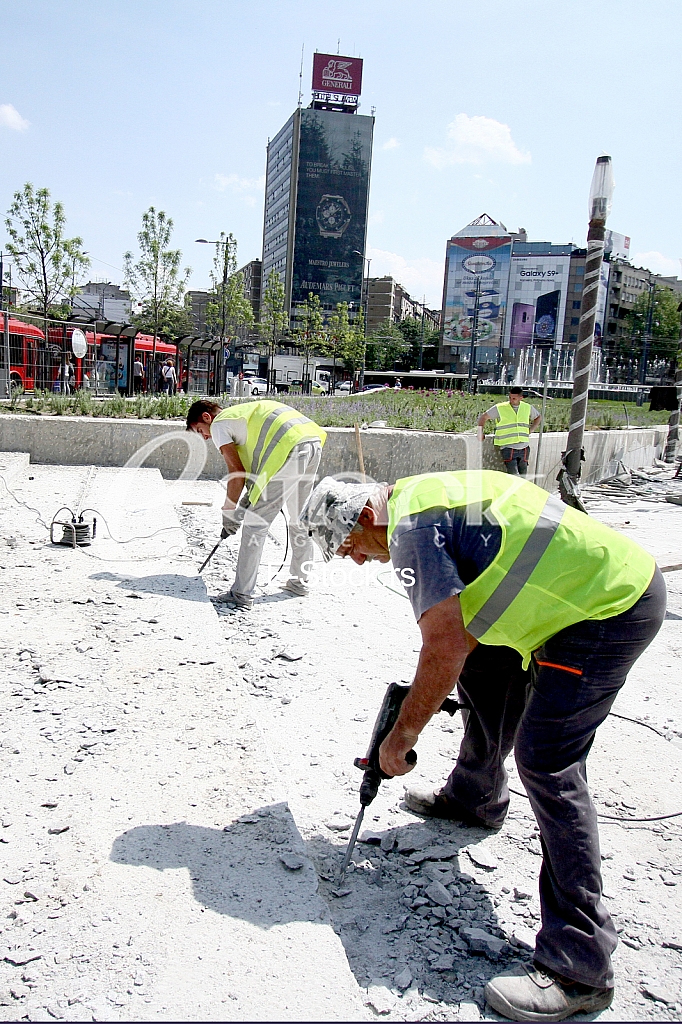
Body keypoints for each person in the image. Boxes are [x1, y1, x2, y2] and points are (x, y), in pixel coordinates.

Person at [301, 470, 665, 1022]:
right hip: (582, 591)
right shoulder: (420, 497)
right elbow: (465, 623)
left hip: (607, 609)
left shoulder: (411, 531)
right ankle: (475, 797)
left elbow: (443, 646)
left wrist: (402, 735)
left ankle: (580, 965)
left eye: (350, 546)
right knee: (486, 665)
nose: (354, 560)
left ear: (368, 517)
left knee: (547, 761)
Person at [186, 398, 327, 609]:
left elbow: (237, 473)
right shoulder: (242, 417)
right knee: (299, 518)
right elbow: (256, 472)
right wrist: (246, 501)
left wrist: (229, 512)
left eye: (200, 431)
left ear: (207, 417)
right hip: (311, 442)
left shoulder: (219, 425)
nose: (205, 437)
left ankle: (241, 594)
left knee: (255, 526)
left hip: (289, 449)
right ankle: (300, 582)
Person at [478, 386, 541, 475]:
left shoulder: (527, 407)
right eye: (510, 397)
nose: (511, 400)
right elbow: (483, 417)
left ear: (521, 398)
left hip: (524, 447)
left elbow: (538, 417)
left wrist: (531, 430)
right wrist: (480, 431)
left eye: (514, 398)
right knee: (514, 476)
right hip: (508, 447)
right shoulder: (500, 407)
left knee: (523, 477)